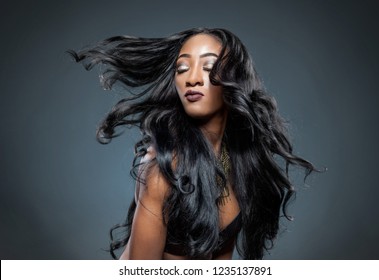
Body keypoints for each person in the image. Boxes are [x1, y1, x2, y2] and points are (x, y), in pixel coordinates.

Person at [69, 27, 315, 260]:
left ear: (234, 79)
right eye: (182, 68)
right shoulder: (162, 172)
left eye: (208, 66)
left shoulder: (241, 164)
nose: (193, 79)